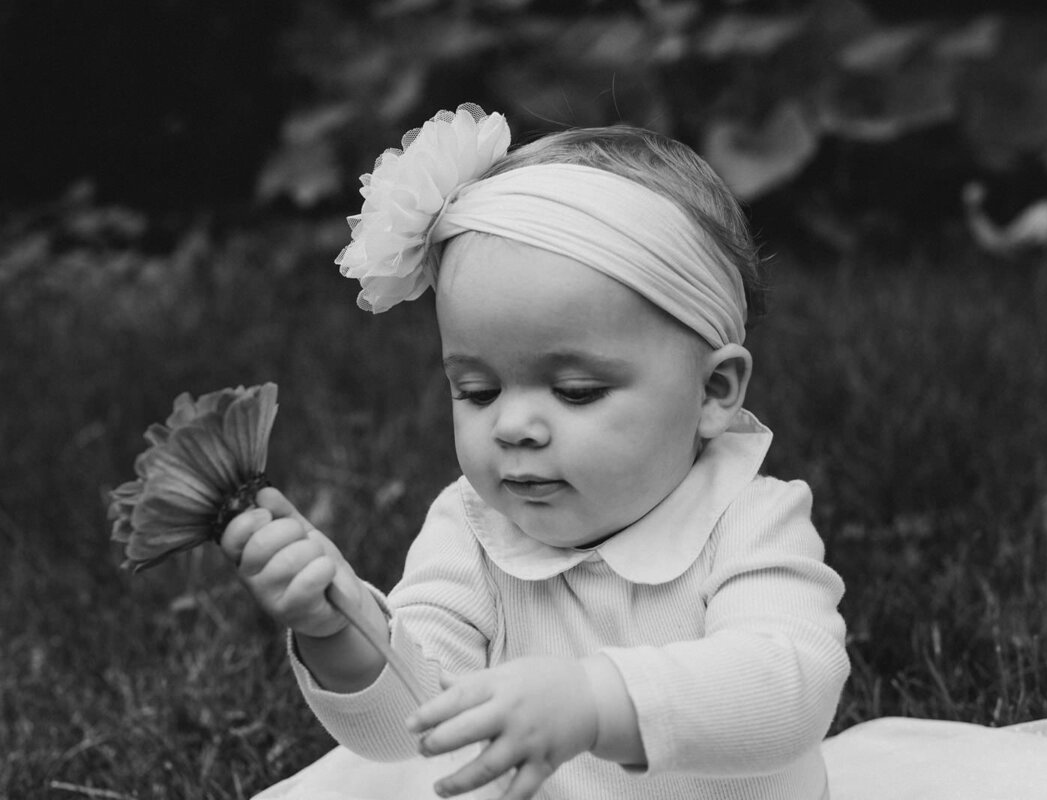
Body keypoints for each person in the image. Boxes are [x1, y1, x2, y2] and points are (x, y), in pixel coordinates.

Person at [221, 104, 850, 800]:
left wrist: (595, 702)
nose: (514, 426)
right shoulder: (473, 526)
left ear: (713, 391)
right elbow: (413, 730)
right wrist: (341, 627)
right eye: (478, 390)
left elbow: (789, 685)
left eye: (576, 391)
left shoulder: (749, 520)